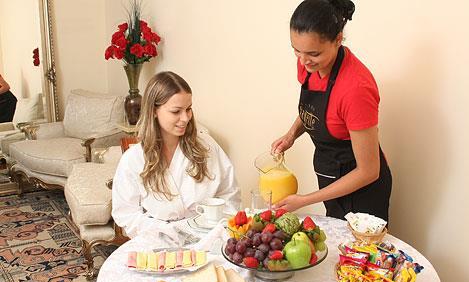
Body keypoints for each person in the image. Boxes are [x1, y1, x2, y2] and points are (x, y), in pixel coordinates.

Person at [271, 0, 392, 222]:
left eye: (313, 54)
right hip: (330, 177)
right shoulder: (308, 64)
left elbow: (369, 171)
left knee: (359, 255)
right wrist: (291, 135)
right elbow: (318, 110)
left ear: (338, 40)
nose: (304, 61)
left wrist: (305, 200)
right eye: (296, 51)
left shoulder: (356, 89)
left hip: (362, 191)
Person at [112, 71, 241, 238]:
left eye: (188, 109)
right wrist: (168, 231)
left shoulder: (207, 147)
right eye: (176, 111)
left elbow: (230, 194)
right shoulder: (133, 160)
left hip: (207, 238)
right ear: (153, 111)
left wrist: (214, 228)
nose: (185, 118)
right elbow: (126, 214)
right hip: (156, 240)